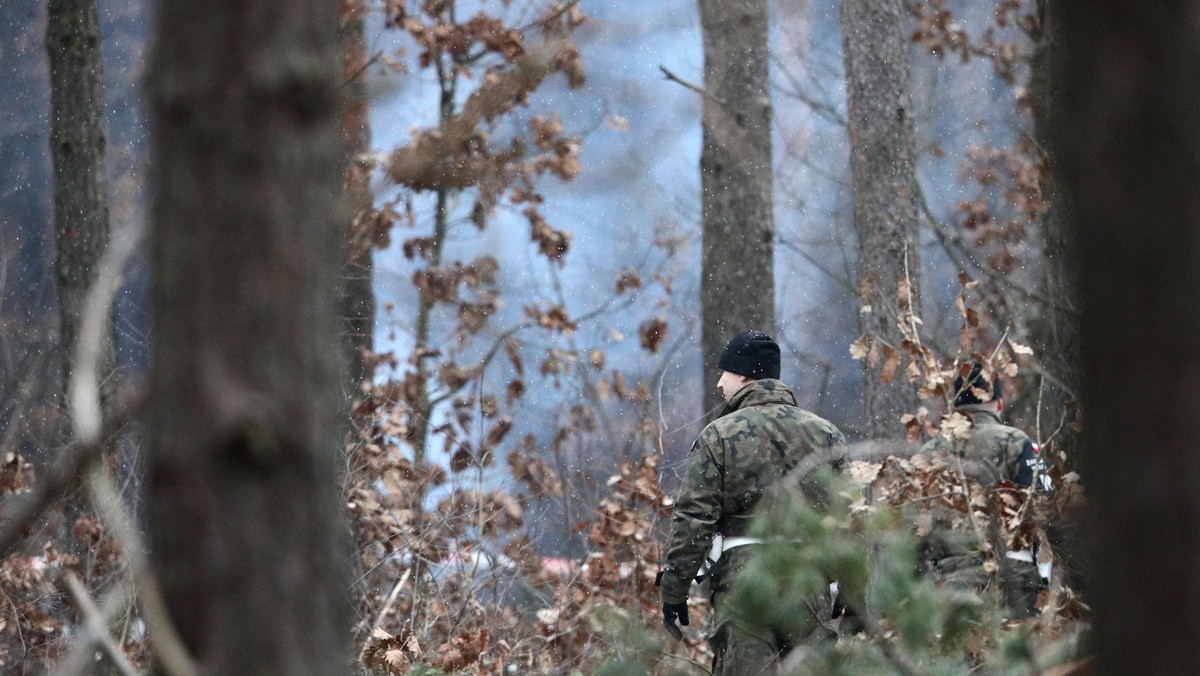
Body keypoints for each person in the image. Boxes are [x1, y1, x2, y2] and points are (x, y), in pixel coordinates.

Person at [658, 330, 847, 674]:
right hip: (809, 586)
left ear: (744, 376)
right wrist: (854, 590)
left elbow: (693, 520)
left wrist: (674, 589)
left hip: (743, 590)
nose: (719, 384)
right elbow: (852, 519)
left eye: (724, 373)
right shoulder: (826, 435)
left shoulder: (719, 435)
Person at [919, 361, 1052, 617]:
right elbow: (1046, 512)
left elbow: (913, 531)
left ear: (954, 406)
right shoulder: (1017, 443)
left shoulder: (929, 453)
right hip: (1013, 583)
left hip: (948, 587)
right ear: (999, 403)